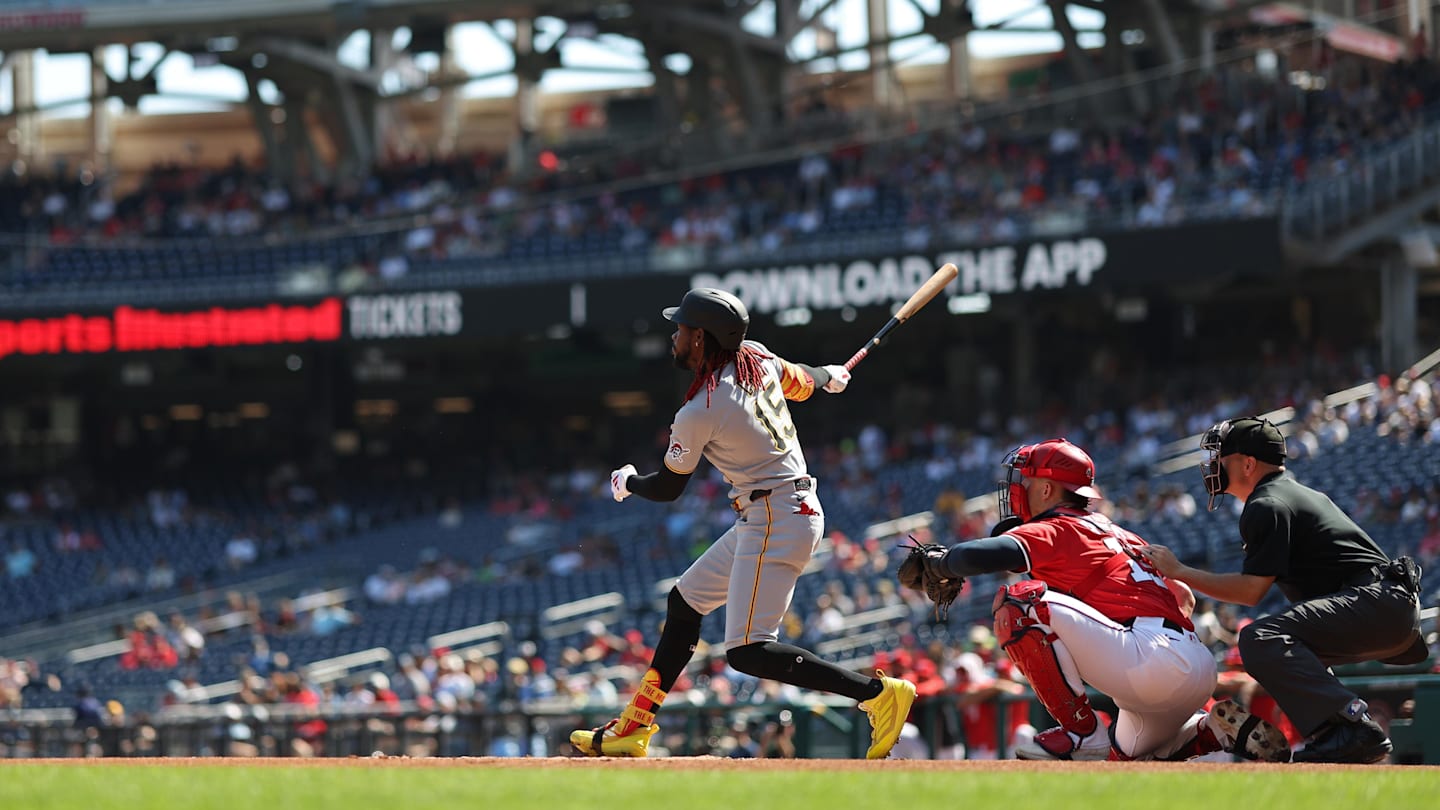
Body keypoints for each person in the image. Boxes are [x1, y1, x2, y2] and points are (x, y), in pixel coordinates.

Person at [569, 287, 916, 759]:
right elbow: (803, 381)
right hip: (775, 511)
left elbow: (668, 488)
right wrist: (828, 376)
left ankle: (877, 695)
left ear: (700, 338)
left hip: (776, 515)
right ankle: (636, 724)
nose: (674, 336)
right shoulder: (756, 357)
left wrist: (628, 482)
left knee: (748, 651)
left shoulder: (700, 410)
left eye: (681, 329)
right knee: (685, 602)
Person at [911, 438, 1289, 761]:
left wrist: (939, 561)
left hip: (1149, 660)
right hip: (1189, 662)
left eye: (1026, 481)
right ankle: (1210, 730)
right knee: (1124, 759)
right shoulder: (1123, 534)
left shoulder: (1060, 526)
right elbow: (1183, 596)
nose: (1018, 490)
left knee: (1020, 606)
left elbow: (980, 555)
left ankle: (1080, 733)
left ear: (1047, 489)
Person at [1139, 416, 1427, 764]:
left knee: (1259, 638)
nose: (1214, 466)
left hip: (1378, 603)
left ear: (1248, 464)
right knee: (1289, 644)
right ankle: (1339, 734)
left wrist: (1180, 571)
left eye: (1222, 458)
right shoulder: (1289, 494)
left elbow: (1250, 592)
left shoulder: (1267, 503)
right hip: (1388, 606)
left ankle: (1353, 726)